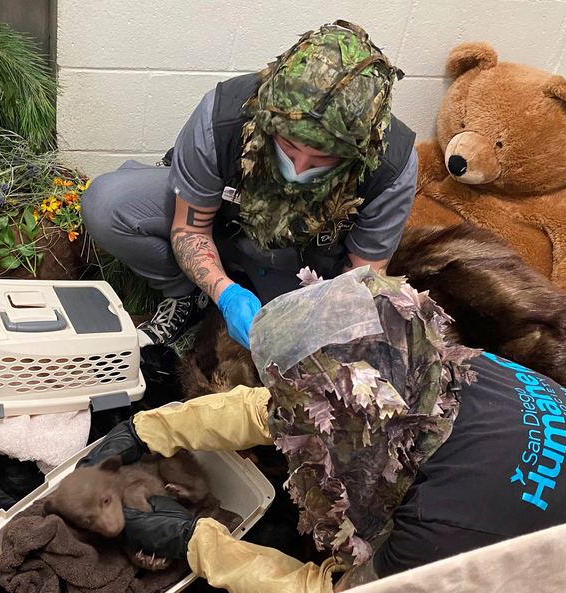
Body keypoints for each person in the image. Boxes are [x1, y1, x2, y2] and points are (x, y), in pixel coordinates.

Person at [77, 268, 566, 593]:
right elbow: (289, 412)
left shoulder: (439, 533)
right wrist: (152, 428)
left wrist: (196, 543)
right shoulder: (440, 364)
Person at [82, 21, 417, 348]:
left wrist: (315, 322)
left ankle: (264, 293)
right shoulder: (224, 116)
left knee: (288, 345)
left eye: (321, 160)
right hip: (224, 225)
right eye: (289, 146)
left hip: (304, 261)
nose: (298, 169)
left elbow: (359, 280)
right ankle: (187, 297)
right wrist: (225, 294)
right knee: (107, 204)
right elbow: (191, 231)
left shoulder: (390, 165)